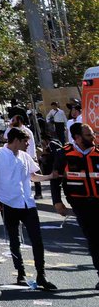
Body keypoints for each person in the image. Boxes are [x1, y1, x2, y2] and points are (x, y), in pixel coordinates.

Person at [0, 126, 54, 290]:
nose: (28, 144)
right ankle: (21, 272)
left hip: (27, 202)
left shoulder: (25, 156)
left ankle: (41, 274)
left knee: (37, 239)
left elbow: (32, 176)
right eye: (25, 141)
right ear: (16, 140)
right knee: (14, 239)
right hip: (8, 202)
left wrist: (51, 176)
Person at [50, 121, 99, 288]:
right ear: (77, 138)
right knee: (94, 239)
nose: (93, 137)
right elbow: (55, 179)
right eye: (88, 134)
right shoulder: (64, 154)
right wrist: (57, 202)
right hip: (81, 205)